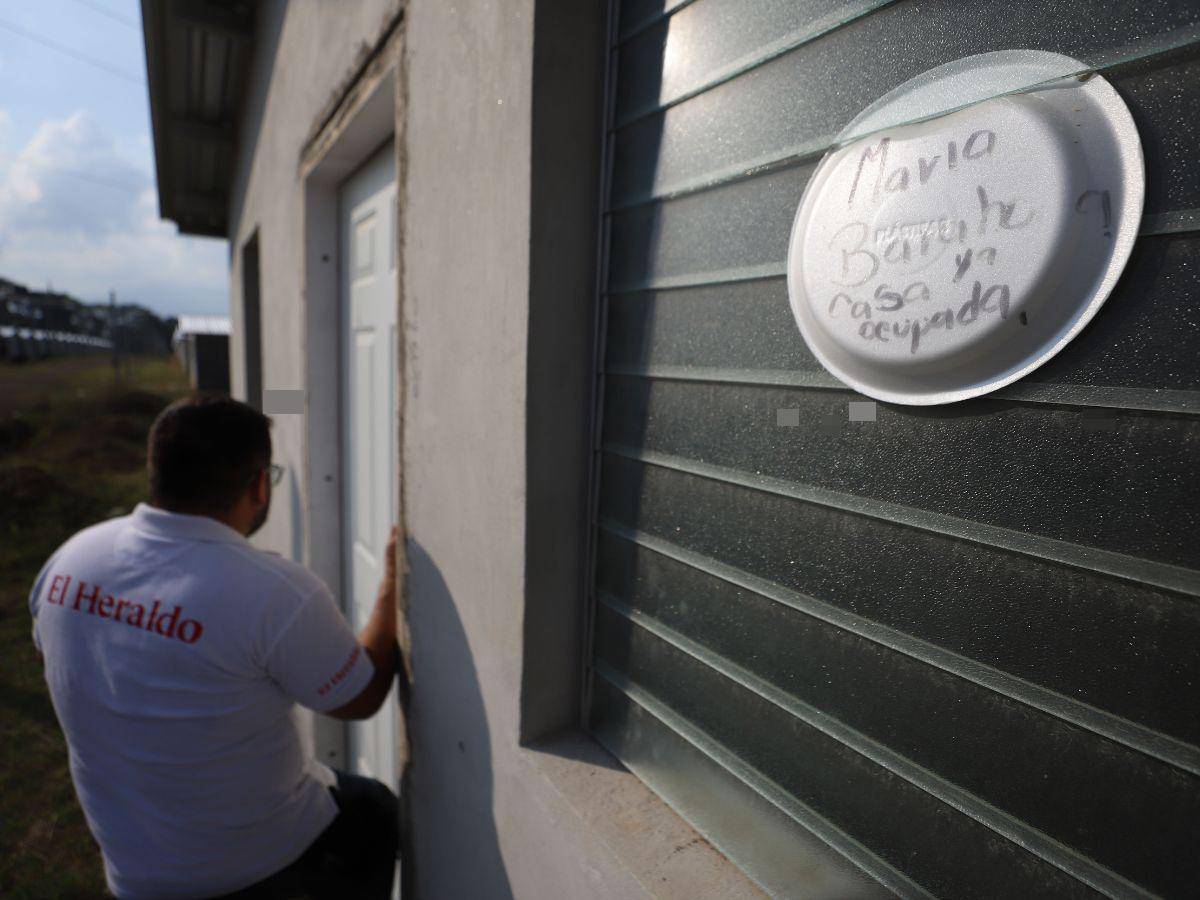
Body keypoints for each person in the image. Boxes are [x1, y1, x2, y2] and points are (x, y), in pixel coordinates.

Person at [27, 394, 403, 899]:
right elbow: (359, 696)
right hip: (256, 870)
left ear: (156, 470)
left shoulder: (70, 559)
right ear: (258, 485)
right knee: (374, 811)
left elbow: (51, 657)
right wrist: (391, 589)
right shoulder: (273, 590)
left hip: (134, 871)